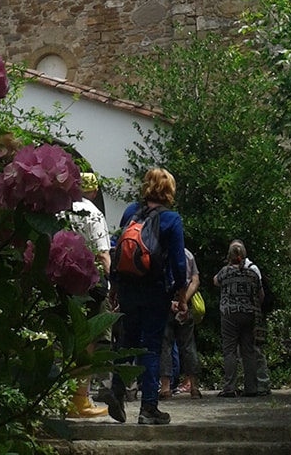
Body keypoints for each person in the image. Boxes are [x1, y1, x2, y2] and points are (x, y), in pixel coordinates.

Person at [110, 167, 188, 426]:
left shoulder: (131, 212)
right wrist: (181, 294)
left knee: (126, 341)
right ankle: (148, 409)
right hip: (155, 290)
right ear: (169, 190)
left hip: (128, 288)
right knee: (151, 347)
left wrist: (113, 287)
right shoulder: (171, 219)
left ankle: (117, 392)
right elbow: (179, 263)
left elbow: (118, 248)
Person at [65, 172, 111, 418]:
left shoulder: (62, 211)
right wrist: (111, 281)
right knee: (88, 339)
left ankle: (61, 396)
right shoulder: (94, 213)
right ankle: (80, 399)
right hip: (90, 281)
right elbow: (103, 253)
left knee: (66, 337)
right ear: (93, 191)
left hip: (64, 278)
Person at [214, 239, 263, 397]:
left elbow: (215, 281)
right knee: (248, 351)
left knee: (229, 351)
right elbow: (261, 295)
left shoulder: (225, 272)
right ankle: (251, 388)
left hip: (229, 314)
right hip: (249, 314)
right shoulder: (252, 274)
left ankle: (229, 387)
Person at [159, 247, 202, 400]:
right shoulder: (188, 254)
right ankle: (194, 387)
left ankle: (165, 388)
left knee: (165, 346)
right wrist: (184, 300)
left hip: (166, 305)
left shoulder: (161, 253)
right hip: (186, 305)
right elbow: (195, 280)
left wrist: (171, 302)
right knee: (188, 346)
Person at [242, 249, 271, 396]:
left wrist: (255, 310)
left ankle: (262, 383)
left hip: (254, 315)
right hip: (247, 314)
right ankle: (252, 384)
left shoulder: (252, 269)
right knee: (247, 350)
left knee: (256, 349)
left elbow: (261, 294)